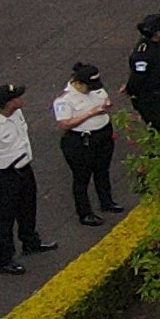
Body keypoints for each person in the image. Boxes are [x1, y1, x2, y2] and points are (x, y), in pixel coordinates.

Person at [0, 83, 50, 276]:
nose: (21, 98)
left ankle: (30, 241)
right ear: (8, 103)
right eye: (17, 97)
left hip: (24, 169)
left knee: (28, 208)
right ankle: (5, 259)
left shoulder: (17, 114)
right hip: (4, 176)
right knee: (3, 219)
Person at [52, 65, 118, 226]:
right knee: (82, 177)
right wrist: (91, 113)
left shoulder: (95, 90)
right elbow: (65, 124)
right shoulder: (64, 100)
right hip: (81, 141)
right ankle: (85, 213)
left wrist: (106, 105)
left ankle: (106, 201)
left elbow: (104, 98)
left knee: (102, 170)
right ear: (78, 83)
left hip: (102, 135)